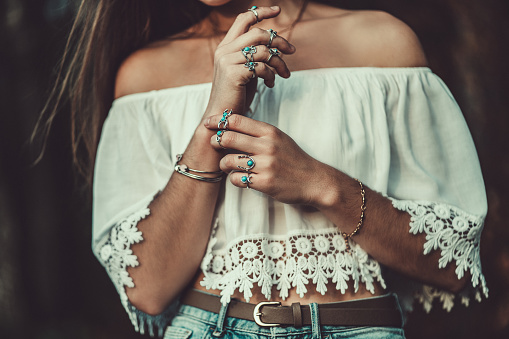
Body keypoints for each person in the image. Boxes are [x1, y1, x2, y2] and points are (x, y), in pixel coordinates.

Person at [42, 0, 488, 337]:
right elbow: (149, 289)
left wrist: (324, 185)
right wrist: (213, 121)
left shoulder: (383, 45)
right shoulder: (145, 74)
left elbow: (454, 265)